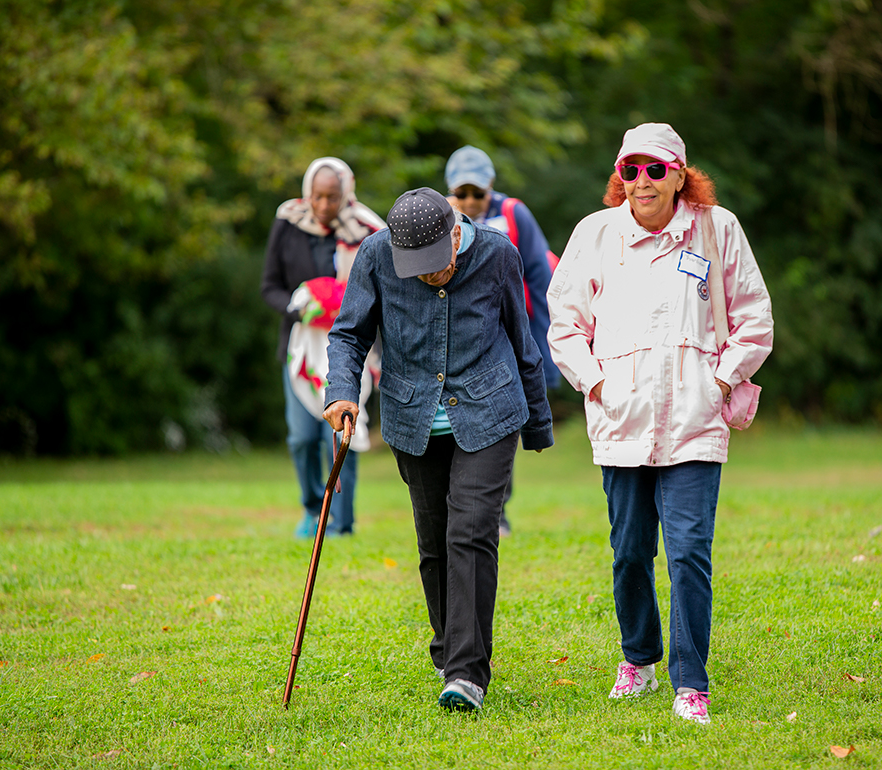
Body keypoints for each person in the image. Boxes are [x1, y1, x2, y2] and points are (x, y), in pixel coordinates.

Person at [546, 123, 773, 724]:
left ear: (679, 176)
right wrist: (597, 385)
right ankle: (638, 659)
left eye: (655, 169)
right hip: (620, 423)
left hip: (694, 422)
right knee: (629, 552)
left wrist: (719, 382)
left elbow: (754, 317)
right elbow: (564, 324)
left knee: (689, 553)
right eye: (630, 169)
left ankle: (690, 684)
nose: (641, 181)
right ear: (619, 176)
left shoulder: (717, 229)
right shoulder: (595, 234)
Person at [322, 187, 553, 712]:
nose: (430, 276)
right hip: (414, 418)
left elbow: (522, 338)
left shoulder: (497, 253)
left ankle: (467, 674)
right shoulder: (375, 255)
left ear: (455, 233)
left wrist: (538, 424)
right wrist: (341, 391)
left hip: (489, 411)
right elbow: (349, 335)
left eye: (436, 263)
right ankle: (450, 653)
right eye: (418, 268)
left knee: (470, 533)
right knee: (434, 542)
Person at [260, 157, 385, 539]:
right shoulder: (288, 222)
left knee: (343, 431)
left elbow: (382, 289)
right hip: (300, 347)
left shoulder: (366, 229)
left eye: (332, 197)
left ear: (346, 192)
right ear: (307, 193)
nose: (324, 205)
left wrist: (343, 306)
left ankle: (342, 523)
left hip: (349, 348)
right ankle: (314, 509)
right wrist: (299, 308)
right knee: (302, 437)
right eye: (317, 196)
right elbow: (269, 286)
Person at [445, 145, 559, 535]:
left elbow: (540, 279)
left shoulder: (514, 214)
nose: (470, 201)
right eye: (461, 193)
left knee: (498, 422)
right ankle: (460, 509)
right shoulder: (438, 217)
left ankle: (497, 512)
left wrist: (543, 352)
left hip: (507, 336)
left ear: (491, 187)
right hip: (460, 342)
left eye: (478, 193)